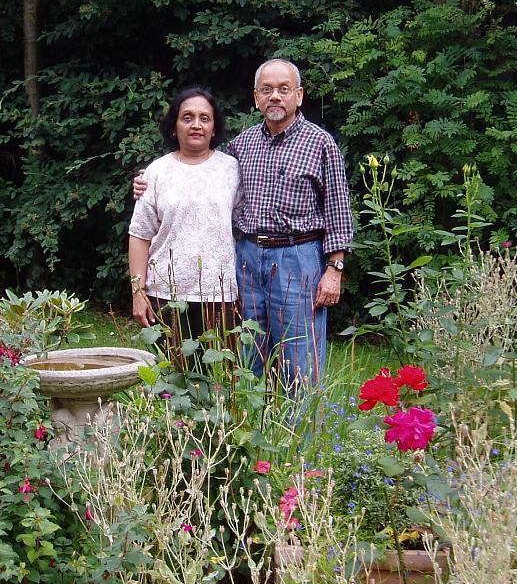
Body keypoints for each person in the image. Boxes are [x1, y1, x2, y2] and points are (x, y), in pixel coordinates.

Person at [135, 59, 353, 392]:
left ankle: (297, 440)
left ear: (299, 95)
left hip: (299, 257)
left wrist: (334, 269)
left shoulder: (320, 144)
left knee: (299, 359)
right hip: (248, 260)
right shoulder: (243, 146)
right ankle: (252, 436)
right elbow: (199, 178)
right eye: (267, 90)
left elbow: (338, 209)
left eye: (283, 89)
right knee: (248, 357)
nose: (275, 96)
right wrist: (144, 182)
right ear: (256, 97)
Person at [128, 87, 242, 363]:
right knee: (171, 379)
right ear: (174, 126)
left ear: (214, 128)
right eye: (187, 117)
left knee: (221, 380)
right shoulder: (156, 172)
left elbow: (248, 221)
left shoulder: (232, 169)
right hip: (166, 294)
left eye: (205, 118)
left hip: (219, 295)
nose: (196, 125)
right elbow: (140, 234)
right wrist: (138, 292)